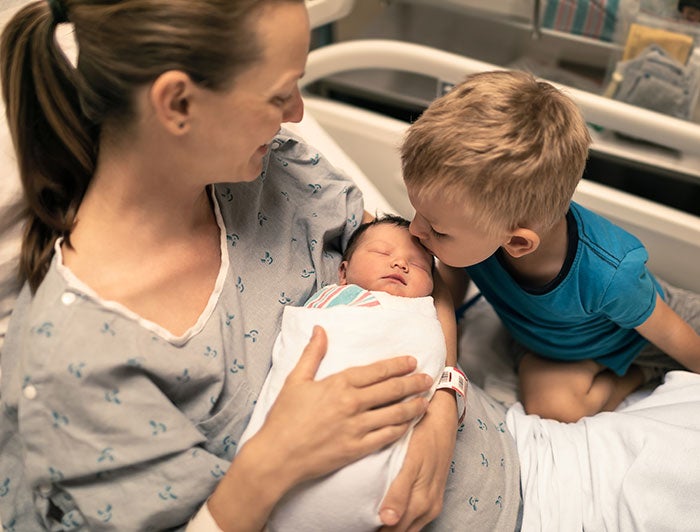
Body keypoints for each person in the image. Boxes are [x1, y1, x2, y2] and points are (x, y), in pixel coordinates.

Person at [0, 1, 520, 530]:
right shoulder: (83, 360)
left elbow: (422, 271)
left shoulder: (274, 171)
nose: (296, 112)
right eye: (278, 93)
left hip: (519, 451)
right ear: (178, 102)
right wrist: (274, 460)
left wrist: (443, 401)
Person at [401, 69, 700, 423]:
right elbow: (453, 270)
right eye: (417, 212)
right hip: (549, 343)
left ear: (516, 242)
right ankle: (632, 373)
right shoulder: (474, 235)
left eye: (436, 228)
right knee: (553, 410)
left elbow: (668, 331)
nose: (416, 229)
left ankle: (643, 370)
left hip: (641, 333)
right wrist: (445, 328)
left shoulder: (608, 273)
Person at [239, 215, 462, 531]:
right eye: (382, 254)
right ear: (342, 273)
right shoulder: (334, 304)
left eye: (419, 265)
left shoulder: (420, 314)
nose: (400, 264)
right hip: (287, 450)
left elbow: (434, 346)